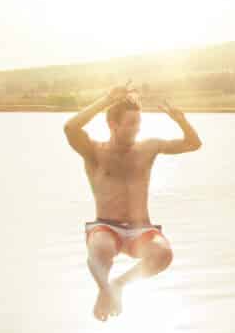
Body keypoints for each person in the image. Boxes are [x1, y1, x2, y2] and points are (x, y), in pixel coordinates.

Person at [64, 85, 203, 321]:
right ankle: (105, 290)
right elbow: (70, 127)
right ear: (113, 125)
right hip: (107, 227)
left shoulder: (148, 148)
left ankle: (117, 285)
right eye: (130, 124)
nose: (136, 129)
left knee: (164, 254)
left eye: (138, 124)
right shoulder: (94, 152)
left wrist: (181, 120)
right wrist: (107, 99)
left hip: (141, 229)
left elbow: (193, 144)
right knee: (101, 248)